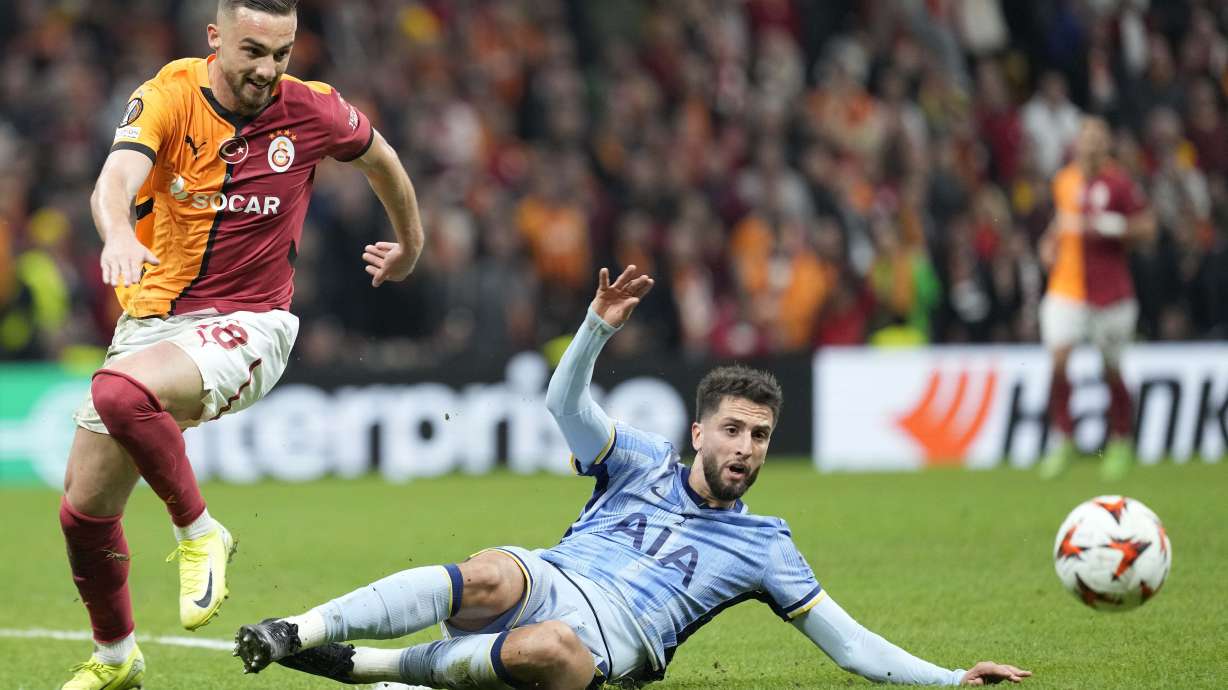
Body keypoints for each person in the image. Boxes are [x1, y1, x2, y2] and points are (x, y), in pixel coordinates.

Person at [232, 266, 1030, 689]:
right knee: (492, 568)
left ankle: (372, 666)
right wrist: (593, 330)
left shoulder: (765, 548)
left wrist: (954, 678)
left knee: (553, 648)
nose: (744, 448)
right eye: (731, 430)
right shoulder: (642, 461)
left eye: (758, 436)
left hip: (598, 649)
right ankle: (299, 633)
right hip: (551, 577)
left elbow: (850, 647)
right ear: (698, 433)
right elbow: (560, 399)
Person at [60, 1, 425, 687]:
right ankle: (116, 660)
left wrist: (411, 245)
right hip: (154, 322)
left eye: (282, 54)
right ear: (215, 38)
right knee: (83, 512)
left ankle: (200, 531)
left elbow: (384, 161)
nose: (267, 70)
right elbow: (115, 179)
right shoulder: (168, 96)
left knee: (118, 393)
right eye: (252, 51)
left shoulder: (310, 110)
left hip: (253, 322)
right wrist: (115, 232)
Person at [1036, 117, 1156, 481]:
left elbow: (1147, 228)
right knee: (1058, 361)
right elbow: (1062, 222)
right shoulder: (1064, 181)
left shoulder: (1119, 183)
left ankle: (1120, 441)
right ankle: (1064, 438)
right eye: (1085, 139)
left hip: (1110, 292)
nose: (1090, 146)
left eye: (1097, 140)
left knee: (1111, 368)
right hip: (1066, 289)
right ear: (1077, 144)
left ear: (1106, 146)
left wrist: (1113, 226)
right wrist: (1048, 242)